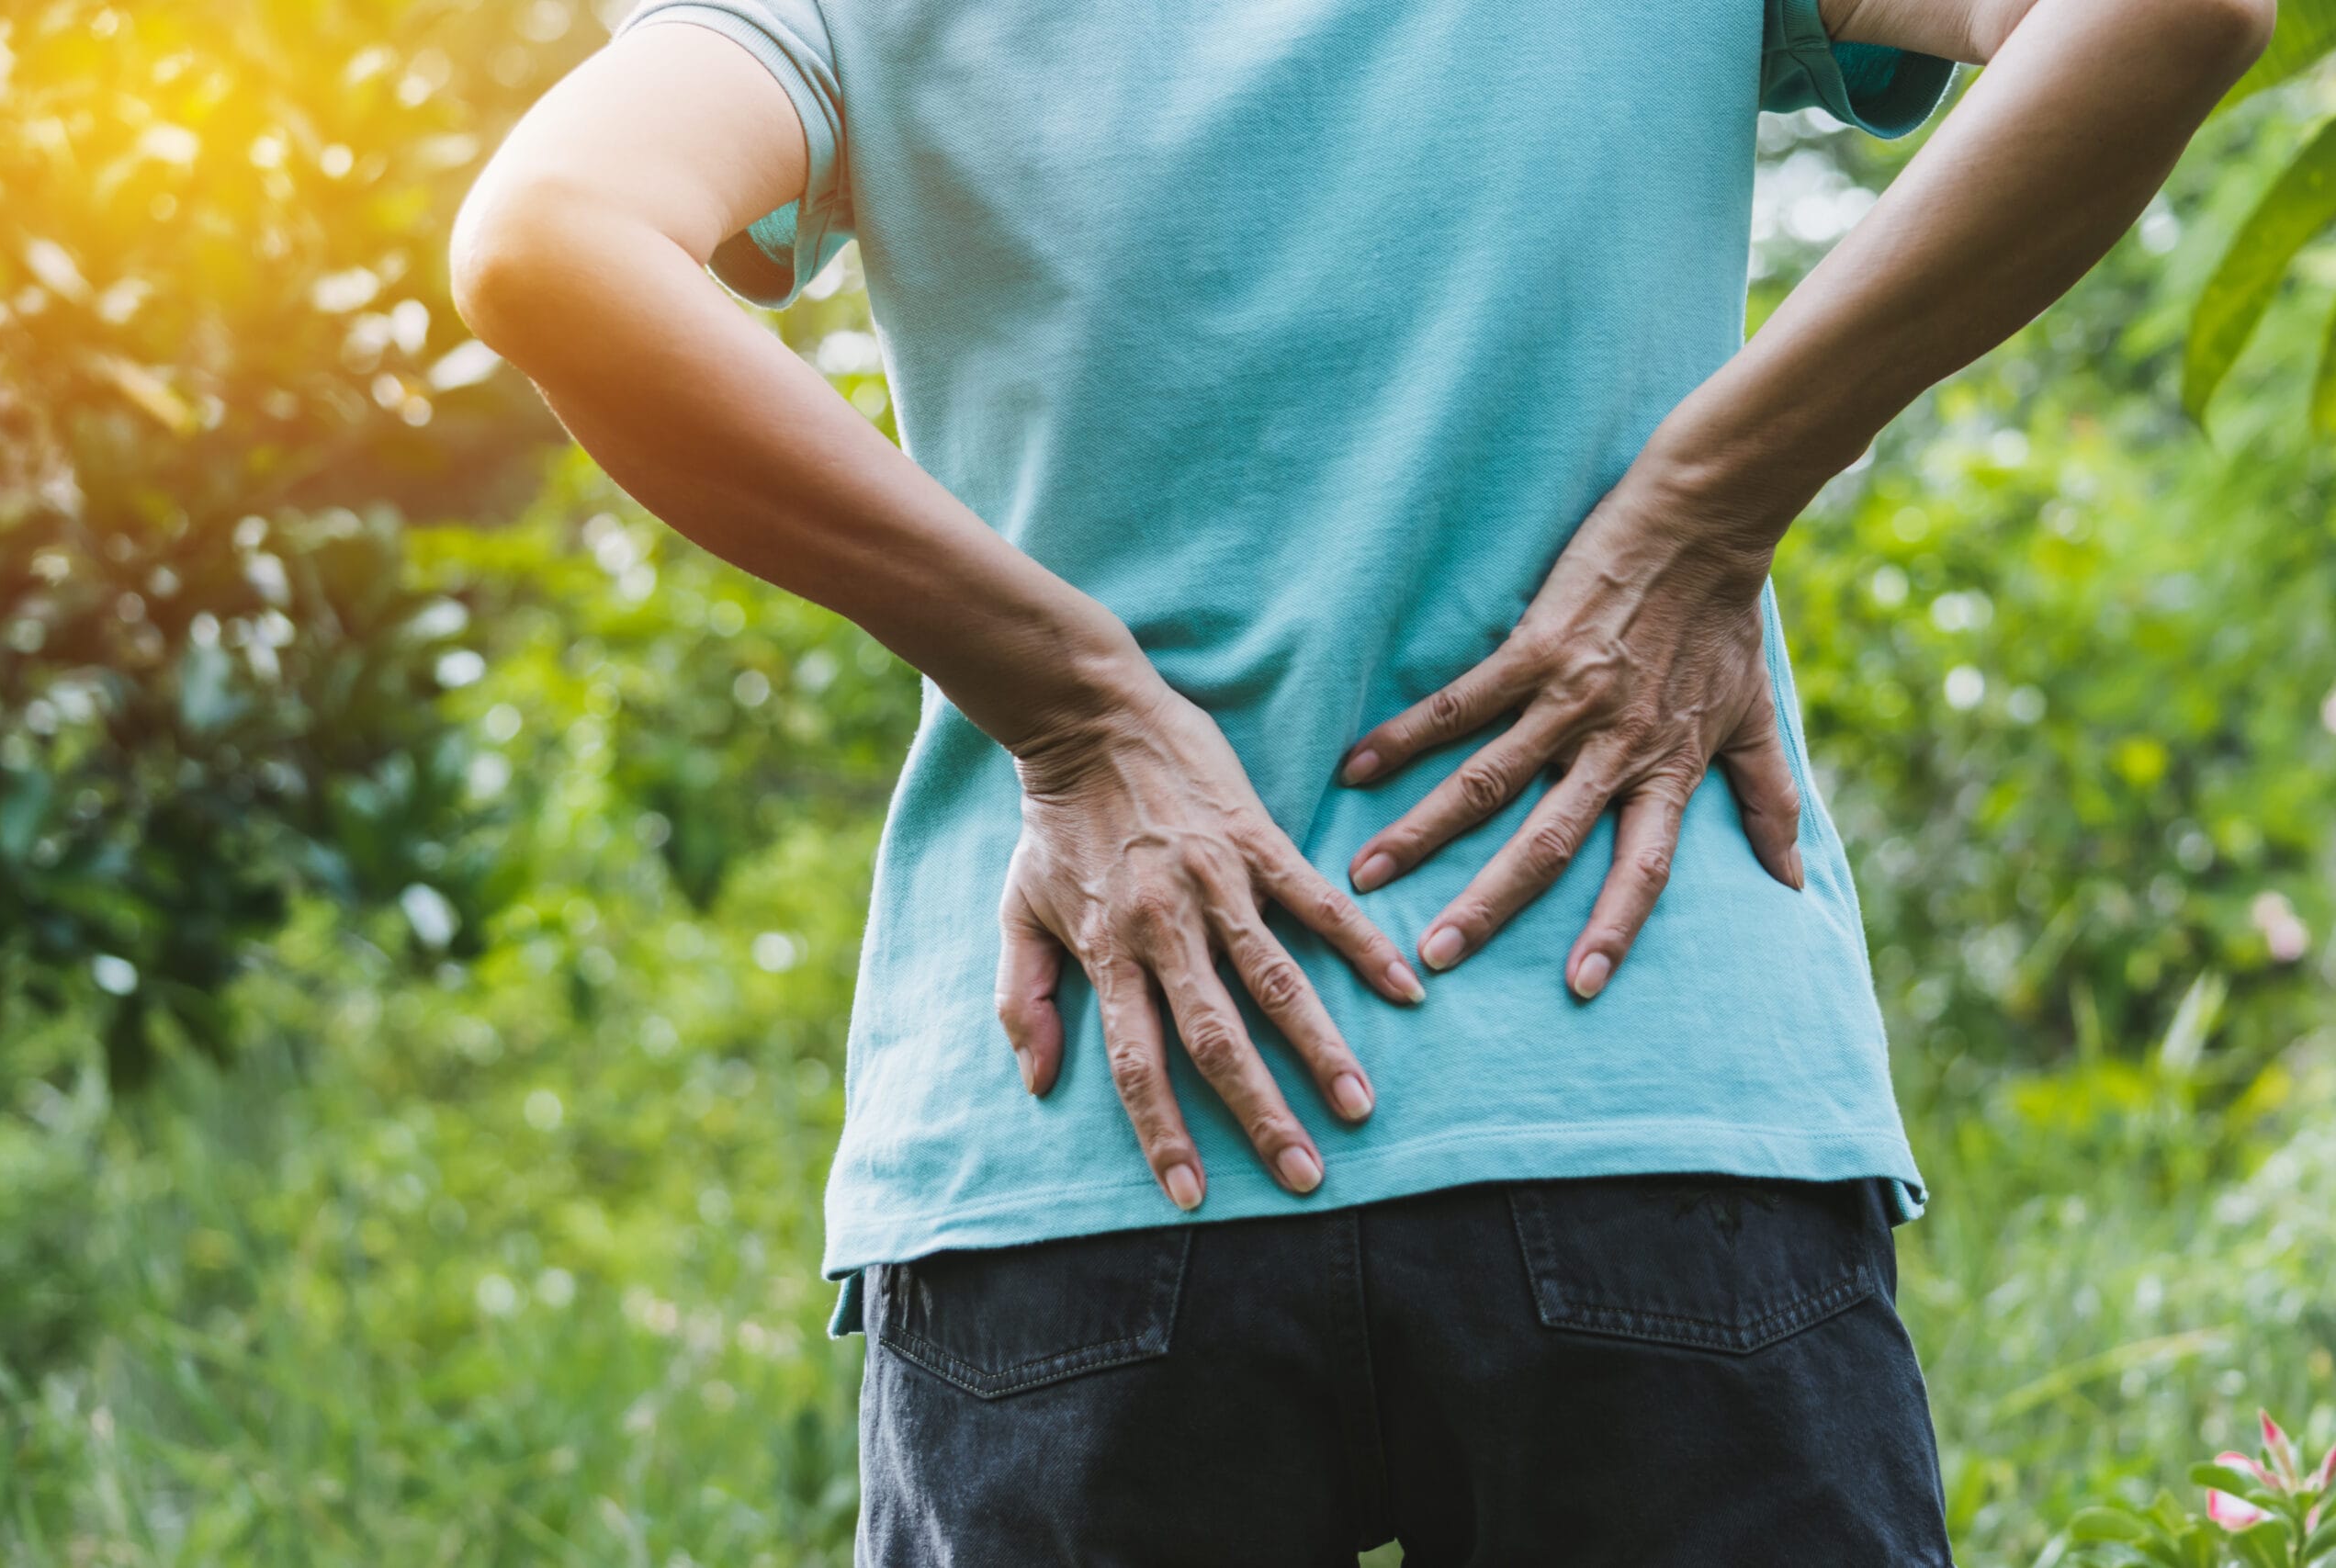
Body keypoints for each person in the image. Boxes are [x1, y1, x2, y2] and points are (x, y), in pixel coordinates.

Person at [450, 0, 2270, 1558]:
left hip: (1095, 1124)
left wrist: (1068, 701)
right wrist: (1709, 502)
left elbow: (550, 233)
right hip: (1634, 1067)